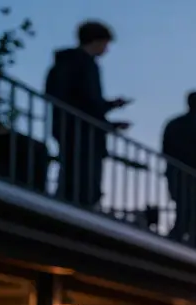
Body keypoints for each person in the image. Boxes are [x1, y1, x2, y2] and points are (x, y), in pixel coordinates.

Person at [44, 20, 131, 208]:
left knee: (72, 175)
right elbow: (88, 103)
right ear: (97, 42)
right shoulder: (85, 65)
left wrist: (109, 109)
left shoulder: (64, 63)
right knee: (83, 180)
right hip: (82, 133)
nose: (106, 49)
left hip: (70, 128)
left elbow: (82, 101)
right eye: (105, 44)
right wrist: (108, 120)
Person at [161, 91, 196, 243]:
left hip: (179, 177)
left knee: (184, 212)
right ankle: (187, 241)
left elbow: (165, 151)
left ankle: (181, 239)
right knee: (192, 215)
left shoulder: (173, 124)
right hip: (194, 180)